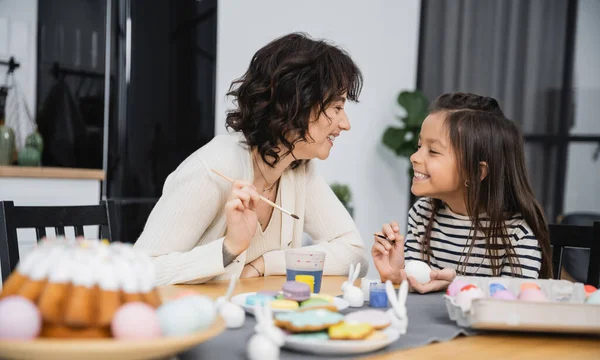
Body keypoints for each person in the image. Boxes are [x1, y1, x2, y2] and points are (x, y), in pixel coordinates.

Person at [135, 33, 368, 285]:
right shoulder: (213, 169)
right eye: (336, 108)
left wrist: (265, 264)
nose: (345, 124)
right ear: (296, 103)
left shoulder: (297, 169)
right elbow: (140, 270)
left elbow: (354, 253)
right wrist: (230, 248)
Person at [372, 92, 552, 293]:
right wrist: (397, 276)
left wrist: (457, 284)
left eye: (433, 151)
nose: (414, 157)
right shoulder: (422, 213)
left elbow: (515, 305)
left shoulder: (517, 233)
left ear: (476, 171)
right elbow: (418, 291)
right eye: (419, 146)